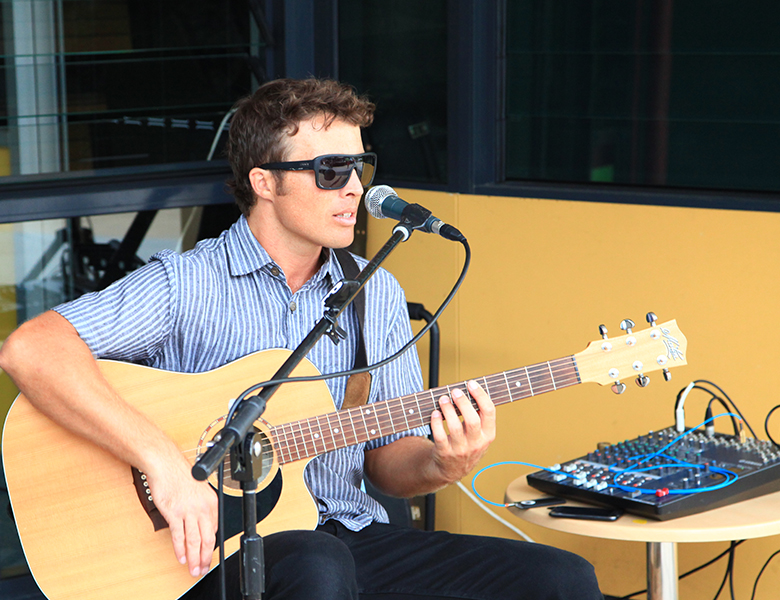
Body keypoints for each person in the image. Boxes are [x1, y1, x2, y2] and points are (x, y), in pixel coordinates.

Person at [0, 78, 604, 600]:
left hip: (348, 534)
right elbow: (30, 349)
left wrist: (445, 462)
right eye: (330, 171)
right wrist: (163, 461)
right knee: (317, 564)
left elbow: (389, 465)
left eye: (361, 168)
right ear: (264, 182)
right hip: (207, 550)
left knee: (562, 579)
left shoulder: (376, 294)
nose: (355, 190)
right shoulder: (185, 284)